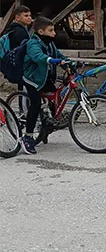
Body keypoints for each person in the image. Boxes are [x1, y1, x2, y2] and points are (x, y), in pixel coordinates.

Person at [21, 17, 69, 155]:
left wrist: (70, 62)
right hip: (33, 79)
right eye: (51, 30)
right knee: (35, 105)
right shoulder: (33, 43)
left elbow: (59, 55)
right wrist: (50, 60)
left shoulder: (50, 44)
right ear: (41, 31)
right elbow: (37, 56)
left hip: (45, 78)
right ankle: (28, 137)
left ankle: (46, 125)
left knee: (54, 99)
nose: (54, 33)